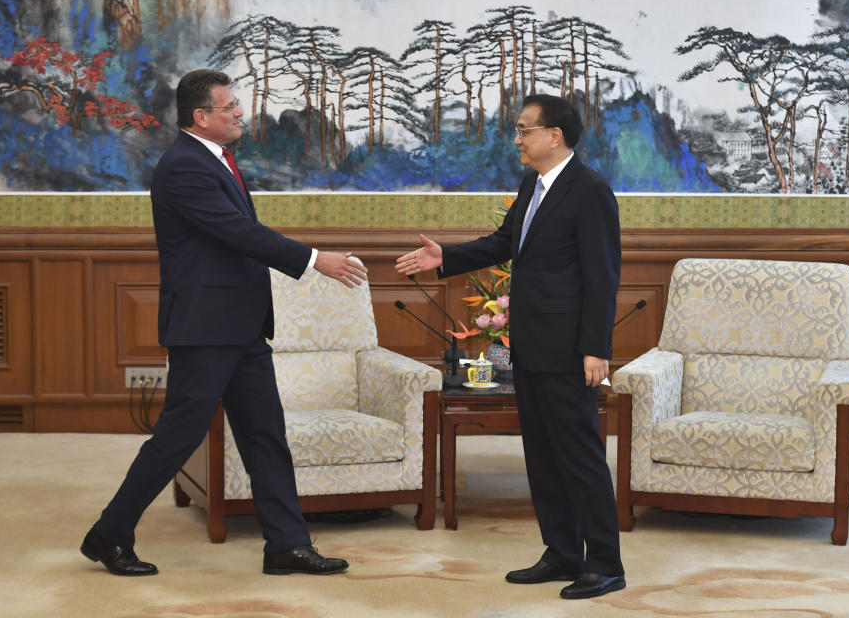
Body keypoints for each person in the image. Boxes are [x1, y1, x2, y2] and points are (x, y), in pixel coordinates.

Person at [81, 69, 367, 577]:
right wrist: (314, 258)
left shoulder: (217, 159)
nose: (240, 112)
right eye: (230, 106)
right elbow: (238, 232)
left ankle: (286, 545)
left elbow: (242, 234)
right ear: (201, 116)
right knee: (178, 436)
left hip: (242, 326)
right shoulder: (184, 167)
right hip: (206, 329)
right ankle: (109, 534)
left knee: (265, 434)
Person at [395, 94, 624, 600]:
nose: (517, 139)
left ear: (555, 136)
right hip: (531, 345)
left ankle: (605, 563)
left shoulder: (590, 192)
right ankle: (562, 553)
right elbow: (504, 243)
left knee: (580, 456)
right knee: (541, 456)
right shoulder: (531, 185)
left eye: (524, 130)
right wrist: (444, 257)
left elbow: (603, 277)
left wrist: (596, 349)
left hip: (570, 351)